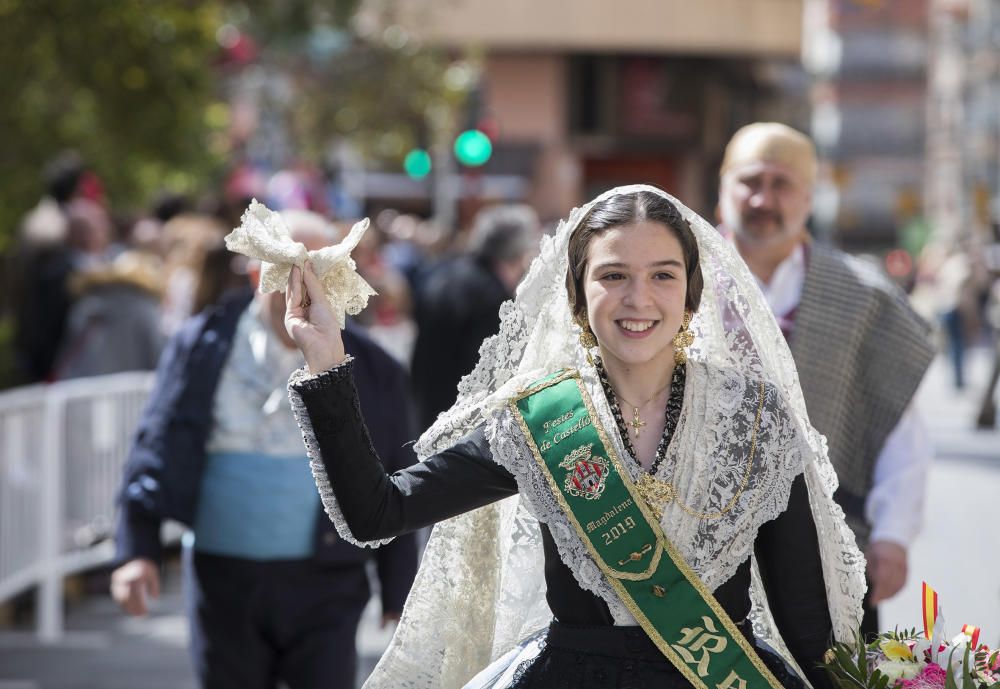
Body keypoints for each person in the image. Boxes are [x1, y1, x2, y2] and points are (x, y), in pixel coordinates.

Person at [283, 186, 866, 689]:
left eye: (662, 275)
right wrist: (326, 363)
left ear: (691, 292)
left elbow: (807, 623)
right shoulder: (538, 421)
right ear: (577, 294)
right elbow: (375, 512)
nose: (638, 299)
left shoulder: (754, 418)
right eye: (613, 275)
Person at [110, 210, 419, 689]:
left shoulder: (375, 368)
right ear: (258, 273)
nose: (306, 291)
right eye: (292, 273)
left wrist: (400, 592)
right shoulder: (201, 344)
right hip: (223, 582)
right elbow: (157, 441)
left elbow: (396, 474)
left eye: (322, 273)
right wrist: (138, 549)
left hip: (327, 583)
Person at [716, 123, 935, 636]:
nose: (762, 198)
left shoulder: (863, 294)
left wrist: (893, 536)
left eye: (781, 183)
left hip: (830, 546)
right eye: (749, 181)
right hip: (700, 551)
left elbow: (897, 424)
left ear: (810, 196)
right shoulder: (673, 278)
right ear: (723, 188)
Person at [411, 204, 540, 430]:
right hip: (462, 420)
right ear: (519, 253)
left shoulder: (444, 271)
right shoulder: (493, 297)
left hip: (426, 406)